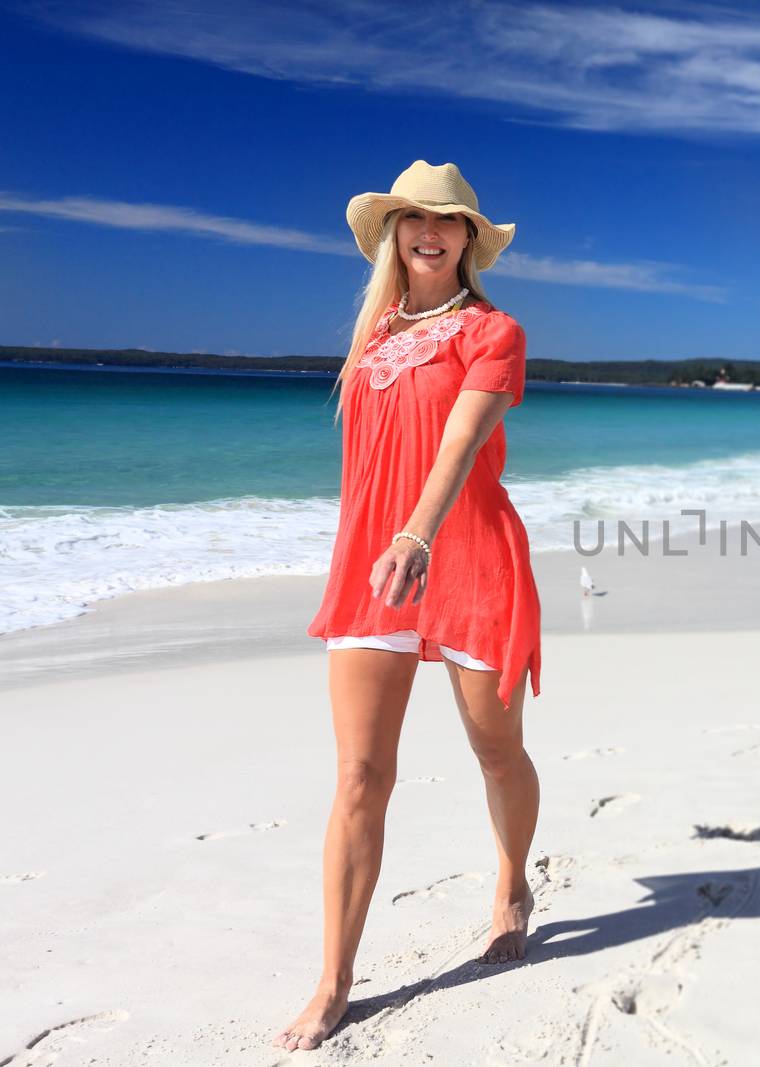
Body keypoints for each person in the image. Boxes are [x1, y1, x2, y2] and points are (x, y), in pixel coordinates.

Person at [280, 161, 542, 1052]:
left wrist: (419, 534)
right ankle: (334, 979)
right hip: (373, 565)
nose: (429, 231)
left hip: (463, 556)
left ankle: (511, 880)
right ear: (393, 235)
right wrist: (380, 540)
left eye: (447, 219)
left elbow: (463, 441)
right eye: (411, 219)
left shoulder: (494, 330)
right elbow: (368, 463)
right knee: (359, 774)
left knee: (496, 749)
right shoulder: (375, 335)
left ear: (470, 239)